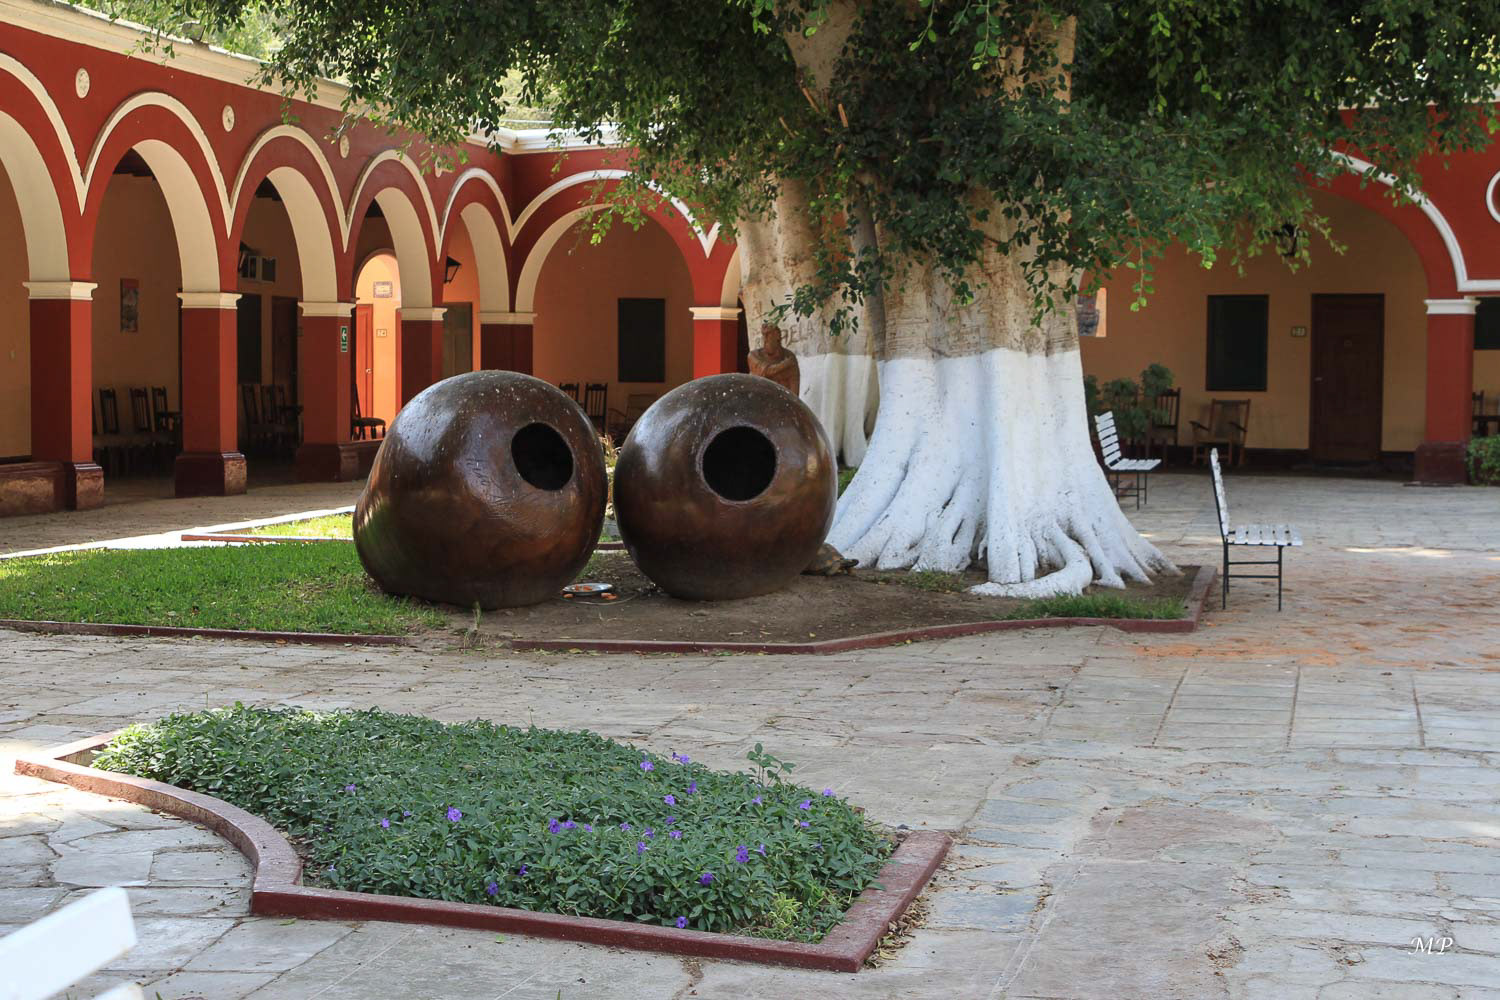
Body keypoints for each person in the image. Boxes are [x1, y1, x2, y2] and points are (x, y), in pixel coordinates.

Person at [747, 322, 800, 396]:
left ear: (778, 336)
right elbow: (766, 371)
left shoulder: (788, 356)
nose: (765, 339)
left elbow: (794, 388)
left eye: (768, 334)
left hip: (782, 402)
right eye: (763, 335)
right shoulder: (754, 356)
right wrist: (785, 364)